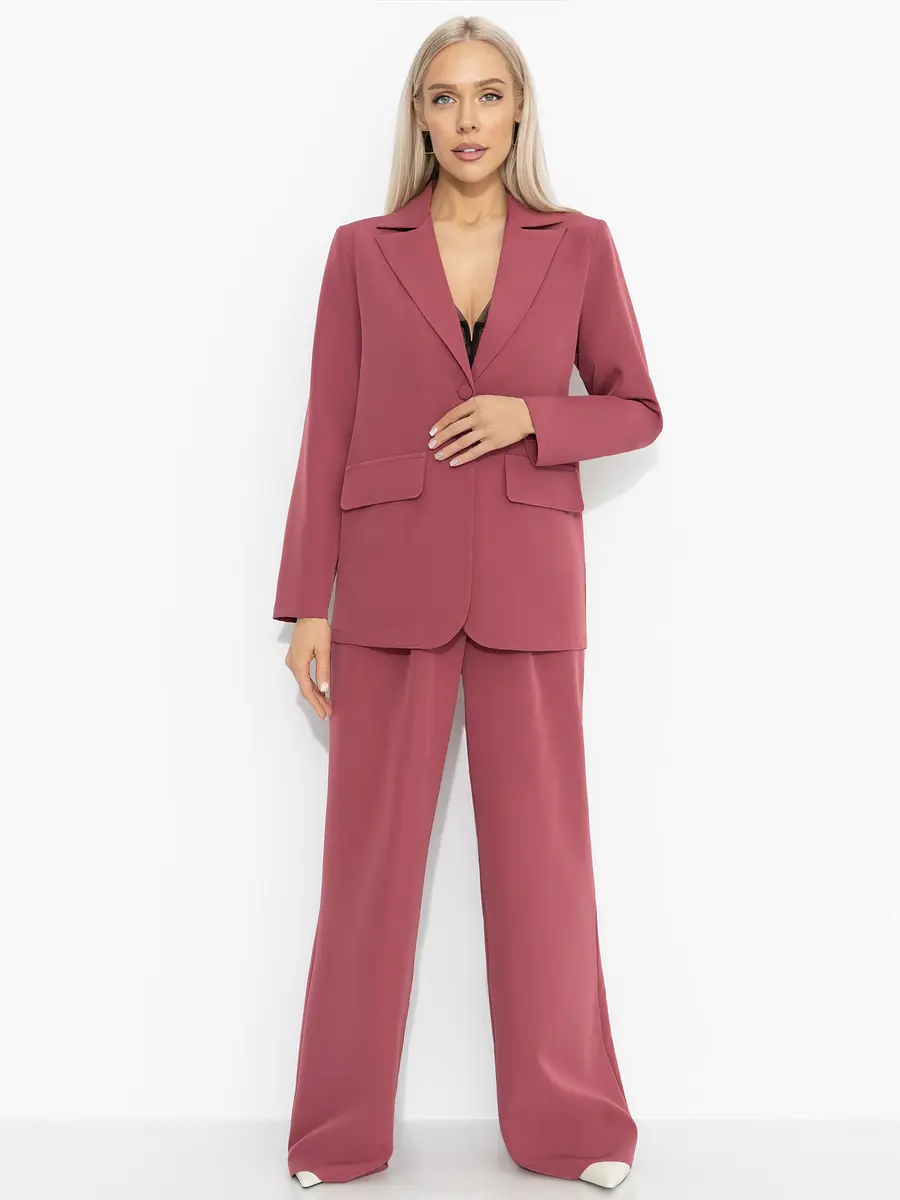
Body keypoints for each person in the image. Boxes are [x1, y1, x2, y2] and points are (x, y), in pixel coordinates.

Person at [272, 14, 662, 1191]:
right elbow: (327, 424)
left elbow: (637, 407)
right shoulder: (362, 251)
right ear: (420, 116)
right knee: (367, 874)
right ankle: (336, 1134)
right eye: (445, 98)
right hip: (388, 585)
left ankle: (574, 1129)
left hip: (530, 588)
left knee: (546, 870)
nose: (468, 119)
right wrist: (305, 604)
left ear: (520, 108)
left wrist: (531, 415)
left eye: (489, 95)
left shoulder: (580, 246)